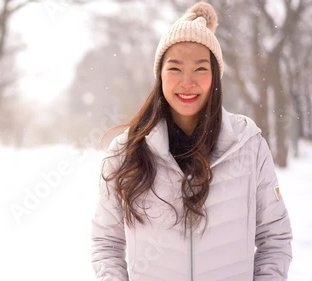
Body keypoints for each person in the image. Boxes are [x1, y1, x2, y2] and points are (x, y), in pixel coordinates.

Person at [90, 2, 292, 281]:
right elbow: (107, 243)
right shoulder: (126, 152)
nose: (187, 82)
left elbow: (275, 239)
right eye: (174, 68)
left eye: (200, 69)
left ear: (216, 77)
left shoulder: (249, 147)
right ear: (160, 76)